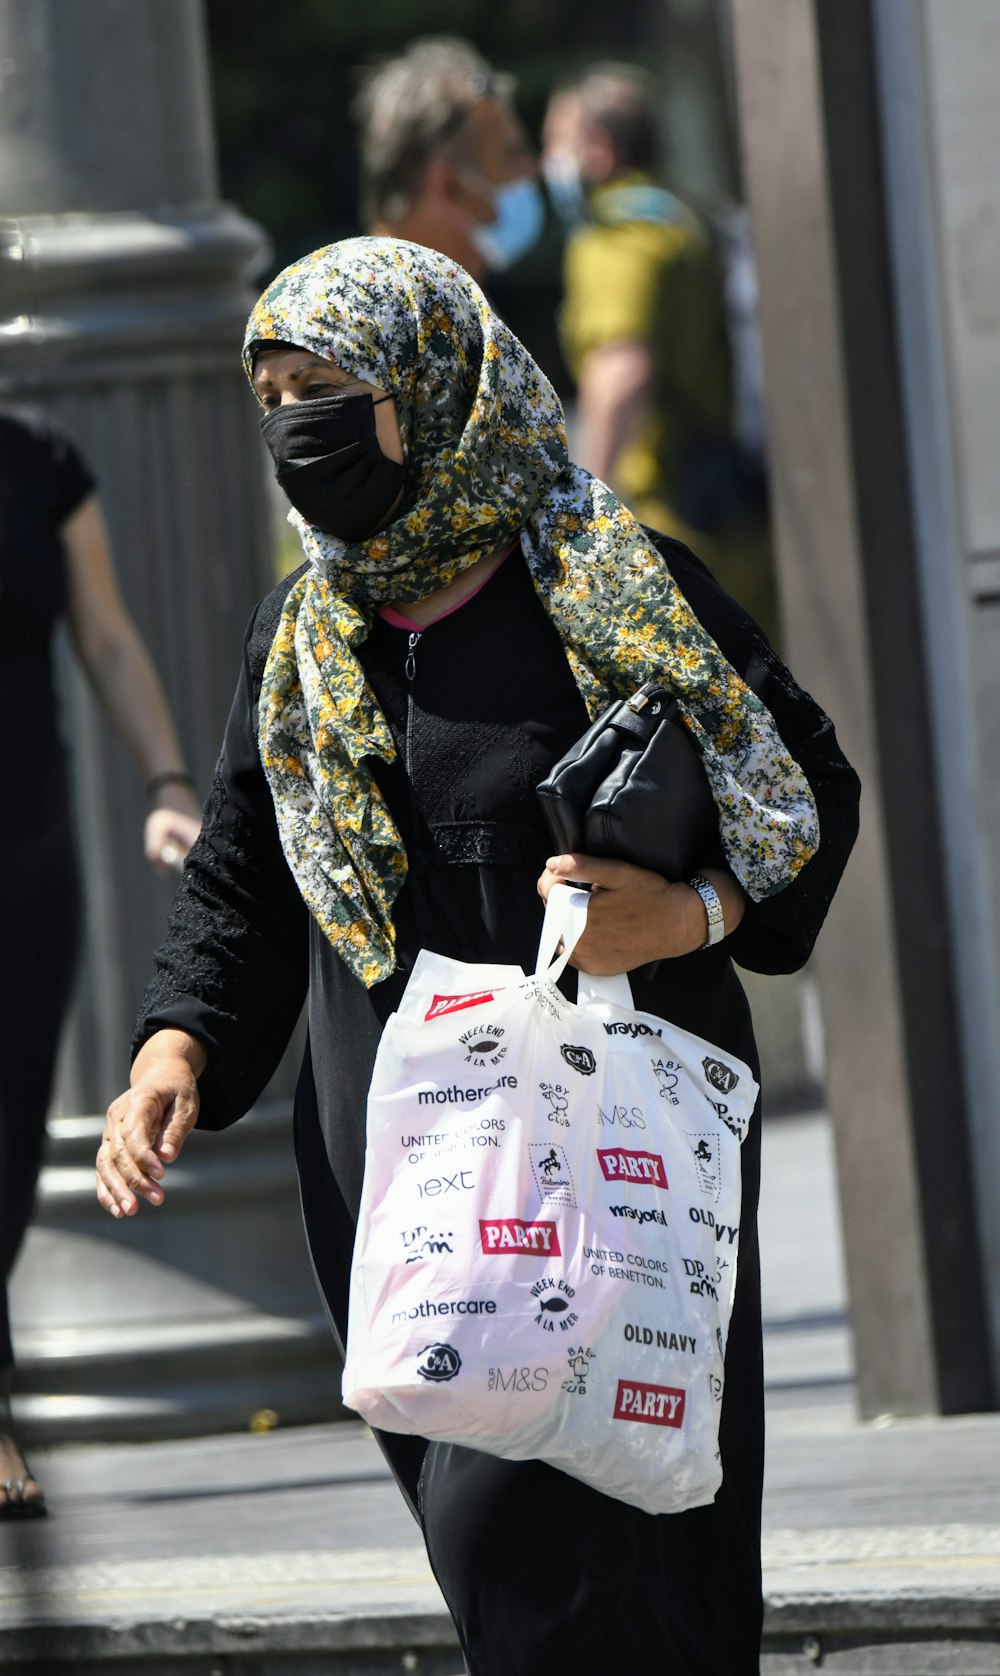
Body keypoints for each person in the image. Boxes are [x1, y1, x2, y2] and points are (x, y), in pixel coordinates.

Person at [95, 238, 859, 1674]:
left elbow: (805, 797)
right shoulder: (305, 635)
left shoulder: (610, 585)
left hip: (611, 1148)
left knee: (576, 1528)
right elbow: (243, 880)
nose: (293, 428)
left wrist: (692, 915)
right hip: (403, 1174)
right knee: (495, 1540)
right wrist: (173, 1048)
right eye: (270, 397)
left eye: (327, 389)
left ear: (431, 386)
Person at [0, 406, 201, 1517]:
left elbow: (108, 637)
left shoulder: (40, 464)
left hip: (27, 857)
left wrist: (168, 782)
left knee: (10, 1139)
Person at [542, 63, 753, 546]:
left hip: (669, 522)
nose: (546, 163)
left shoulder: (620, 235)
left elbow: (621, 367)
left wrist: (584, 521)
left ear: (599, 147)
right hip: (725, 512)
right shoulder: (677, 215)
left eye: (556, 143)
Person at [353, 36, 543, 280]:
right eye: (511, 155)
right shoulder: (366, 310)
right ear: (450, 187)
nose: (532, 168)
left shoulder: (442, 300)